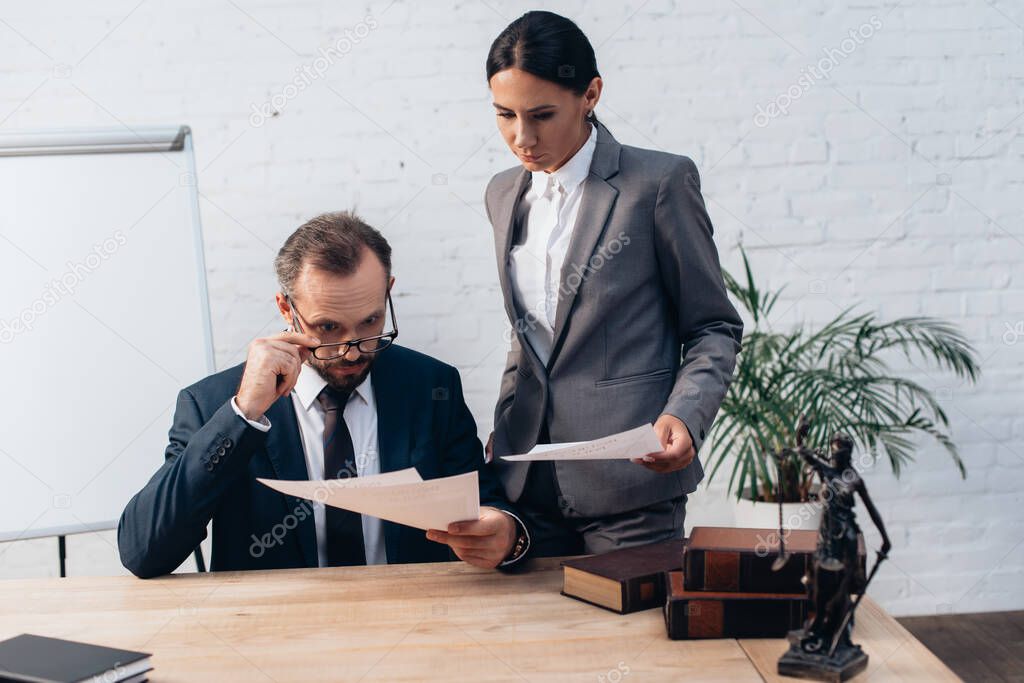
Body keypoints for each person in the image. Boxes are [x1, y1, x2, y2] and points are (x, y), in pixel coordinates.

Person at [118, 211, 529, 578]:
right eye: (328, 328)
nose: (353, 350)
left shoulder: (432, 387)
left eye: (370, 322)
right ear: (286, 309)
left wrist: (507, 533)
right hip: (272, 637)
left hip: (412, 627)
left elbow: (484, 504)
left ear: (388, 291)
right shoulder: (212, 405)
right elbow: (143, 552)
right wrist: (243, 414)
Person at [482, 11, 743, 556]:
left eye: (542, 114)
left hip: (631, 483)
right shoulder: (503, 194)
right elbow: (528, 335)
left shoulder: (658, 184)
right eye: (504, 114)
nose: (521, 137)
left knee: (632, 638)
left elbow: (713, 326)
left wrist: (685, 416)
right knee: (532, 639)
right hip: (524, 479)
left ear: (591, 94)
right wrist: (504, 425)